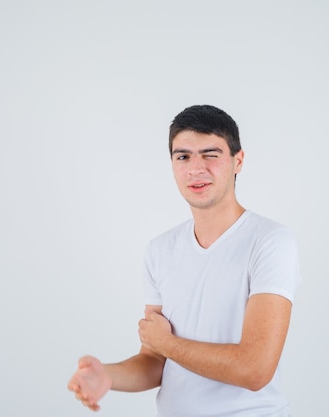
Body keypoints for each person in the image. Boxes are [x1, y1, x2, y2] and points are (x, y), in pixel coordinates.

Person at [68, 104, 301, 416]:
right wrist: (107, 376)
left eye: (210, 154)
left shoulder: (270, 241)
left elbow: (255, 369)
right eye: (183, 156)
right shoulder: (160, 250)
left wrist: (167, 344)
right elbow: (154, 361)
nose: (196, 168)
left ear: (238, 161)